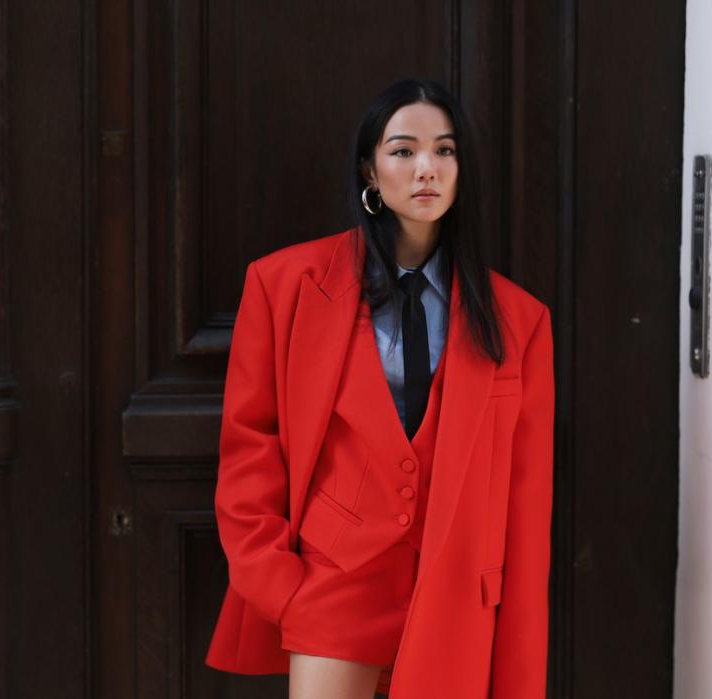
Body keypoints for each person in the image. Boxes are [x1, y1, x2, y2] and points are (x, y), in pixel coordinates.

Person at [204, 77, 555, 698]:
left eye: (445, 151)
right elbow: (250, 444)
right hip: (332, 586)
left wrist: (520, 660)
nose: (427, 168)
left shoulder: (519, 321)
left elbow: (526, 508)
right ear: (370, 170)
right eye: (403, 150)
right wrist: (280, 587)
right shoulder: (284, 285)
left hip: (454, 599)